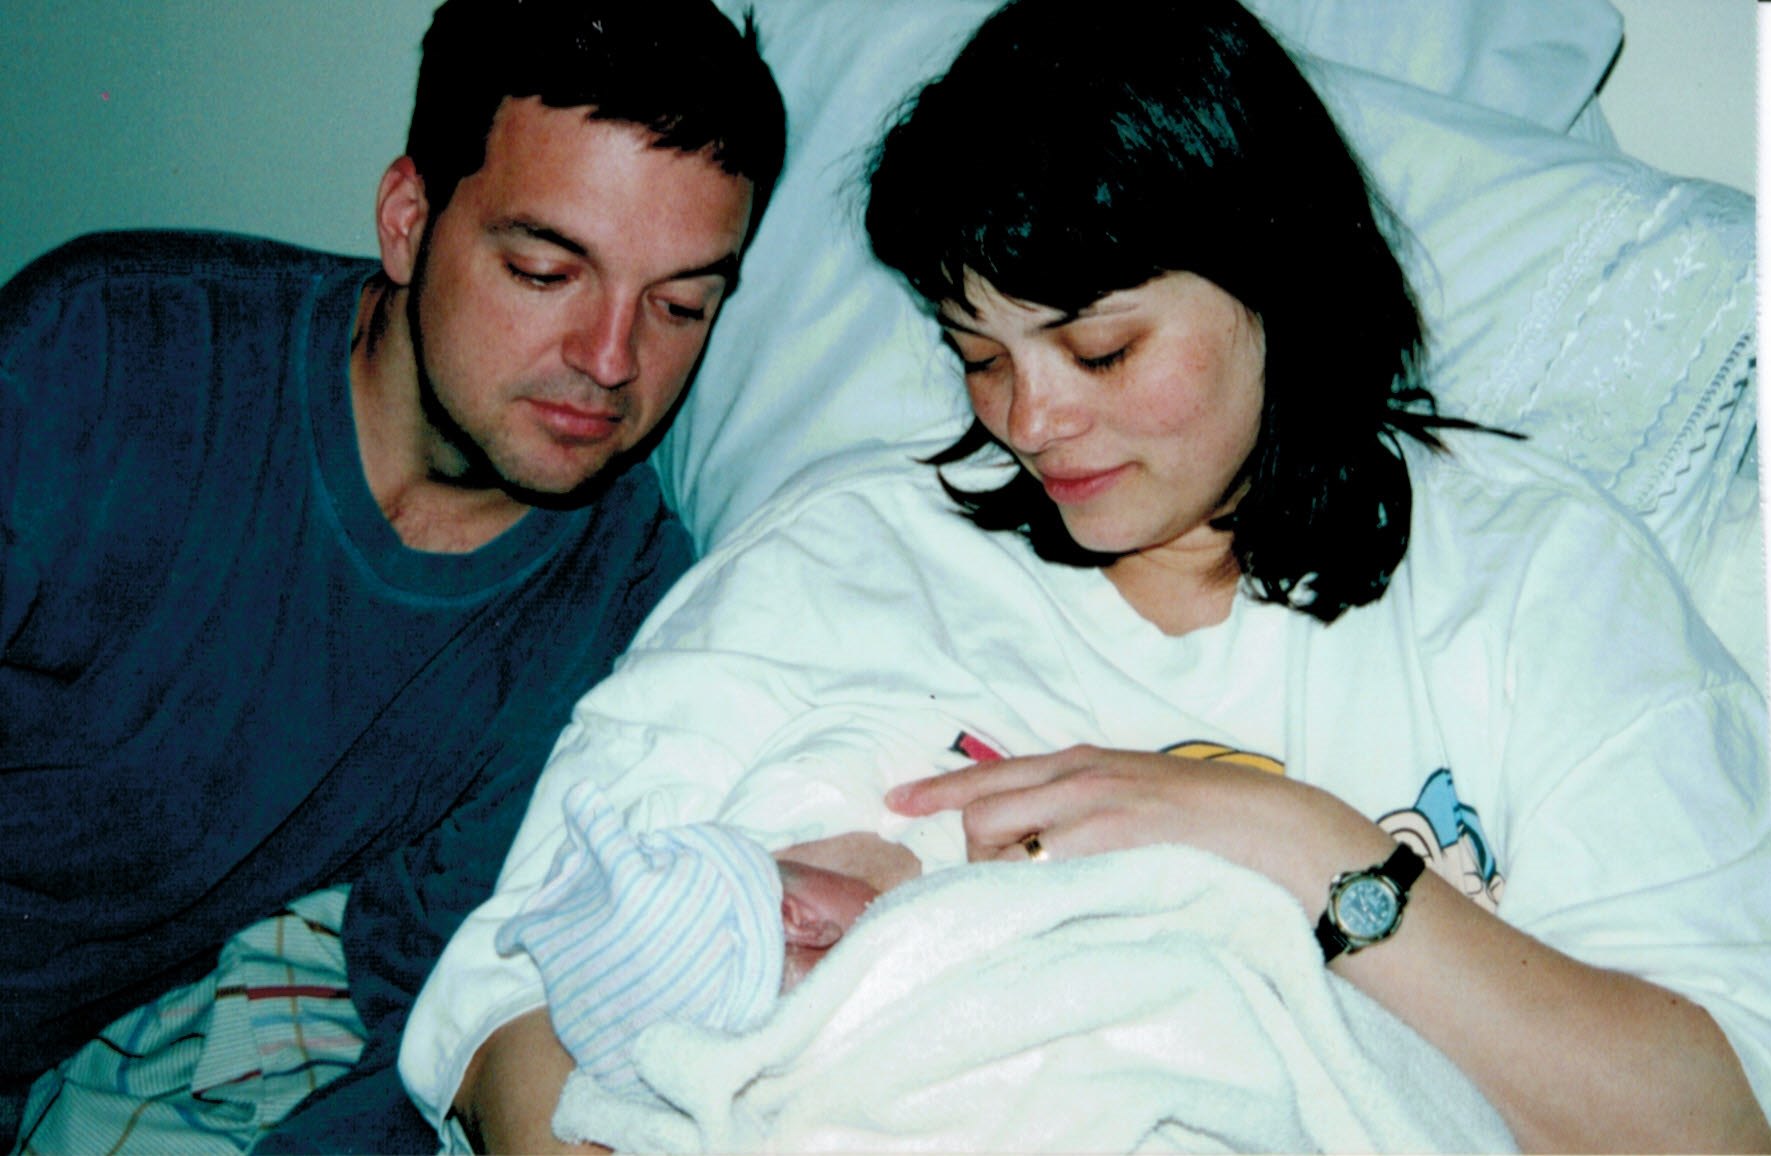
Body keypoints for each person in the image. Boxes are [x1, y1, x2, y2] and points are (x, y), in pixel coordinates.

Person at [405, 0, 1771, 1151]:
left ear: (1279, 285)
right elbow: (504, 1000)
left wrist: (1290, 842)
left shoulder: (1534, 575)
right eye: (977, 352)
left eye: (1098, 351)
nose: (1027, 420)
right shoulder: (842, 559)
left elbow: (1711, 1121)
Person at [0, 1, 785, 1152]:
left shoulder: (619, 612)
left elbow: (431, 1008)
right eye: (543, 269)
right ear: (410, 221)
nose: (612, 361)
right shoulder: (110, 358)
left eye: (678, 306)